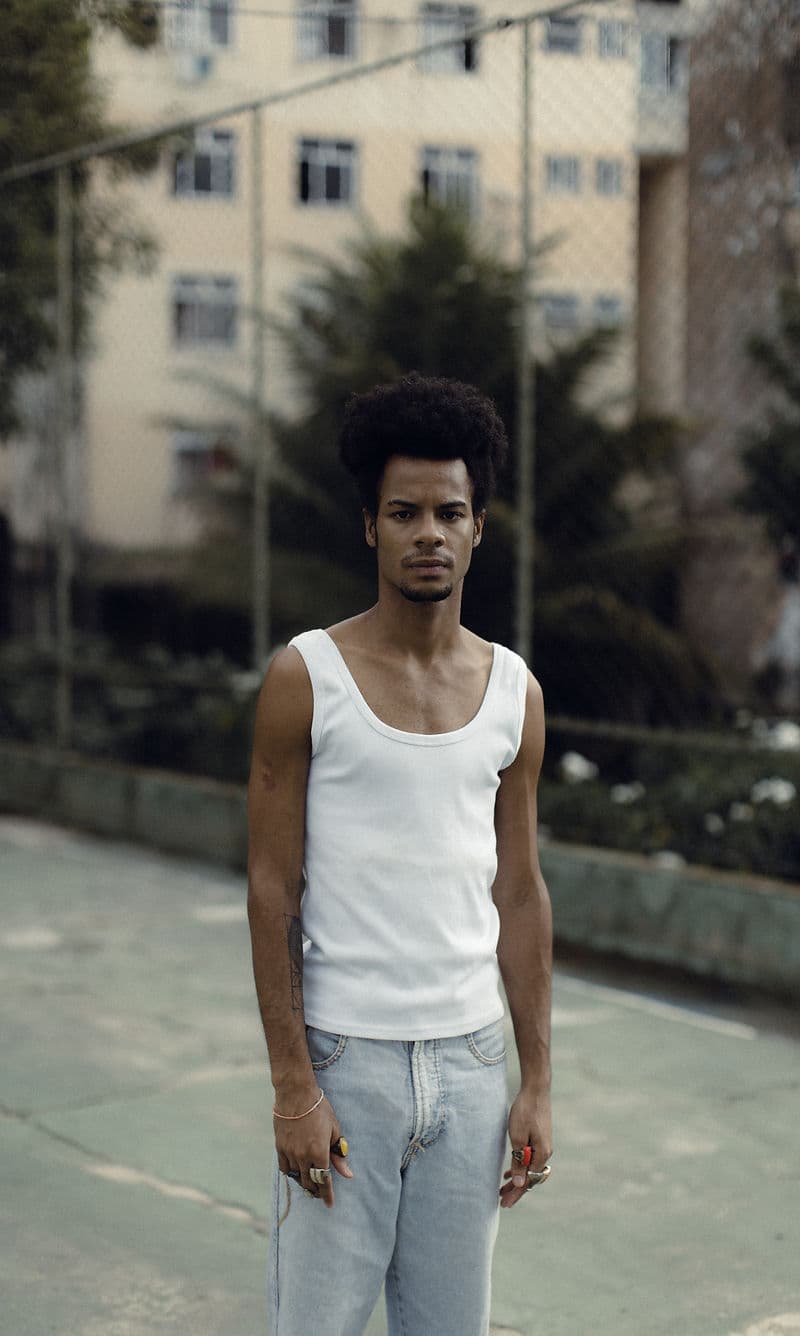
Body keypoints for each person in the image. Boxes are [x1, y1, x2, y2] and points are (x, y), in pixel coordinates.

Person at [247, 372, 553, 1336]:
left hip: (471, 1067)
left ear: (479, 525)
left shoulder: (514, 692)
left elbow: (521, 889)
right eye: (405, 511)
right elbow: (269, 889)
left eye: (449, 511)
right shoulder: (307, 678)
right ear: (369, 525)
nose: (429, 531)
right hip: (347, 1062)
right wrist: (295, 1087)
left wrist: (536, 1078)